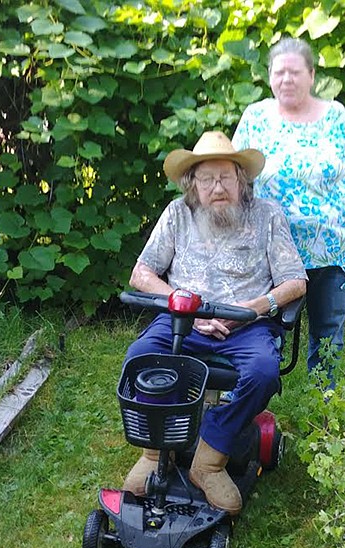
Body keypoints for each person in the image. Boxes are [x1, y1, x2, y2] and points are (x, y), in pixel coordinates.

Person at [122, 131, 307, 515]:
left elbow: (295, 281)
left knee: (263, 372)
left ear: (242, 180)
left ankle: (209, 459)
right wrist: (181, 305)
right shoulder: (176, 214)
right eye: (207, 179)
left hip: (246, 324)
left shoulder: (268, 215)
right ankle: (155, 451)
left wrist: (252, 309)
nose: (217, 187)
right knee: (139, 357)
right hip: (183, 321)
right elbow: (141, 274)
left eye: (226, 177)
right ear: (193, 184)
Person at [232, 36, 345, 387]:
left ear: (311, 76)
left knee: (328, 330)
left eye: (295, 72)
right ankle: (256, 392)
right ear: (269, 77)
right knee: (263, 326)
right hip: (271, 249)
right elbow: (233, 177)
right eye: (279, 72)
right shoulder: (256, 118)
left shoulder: (337, 117)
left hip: (332, 245)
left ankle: (322, 404)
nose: (286, 79)